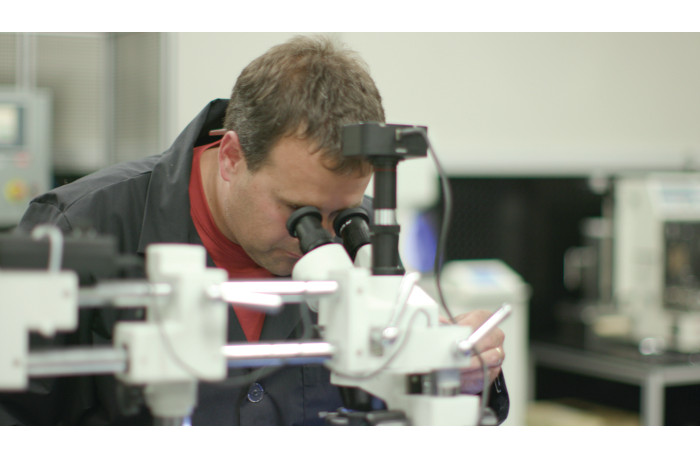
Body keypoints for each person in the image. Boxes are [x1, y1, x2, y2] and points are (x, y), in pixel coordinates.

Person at [1, 34, 508, 425]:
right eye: (299, 212)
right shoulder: (77, 227)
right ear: (231, 157)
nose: (320, 239)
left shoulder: (366, 235)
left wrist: (459, 371)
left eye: (343, 215)